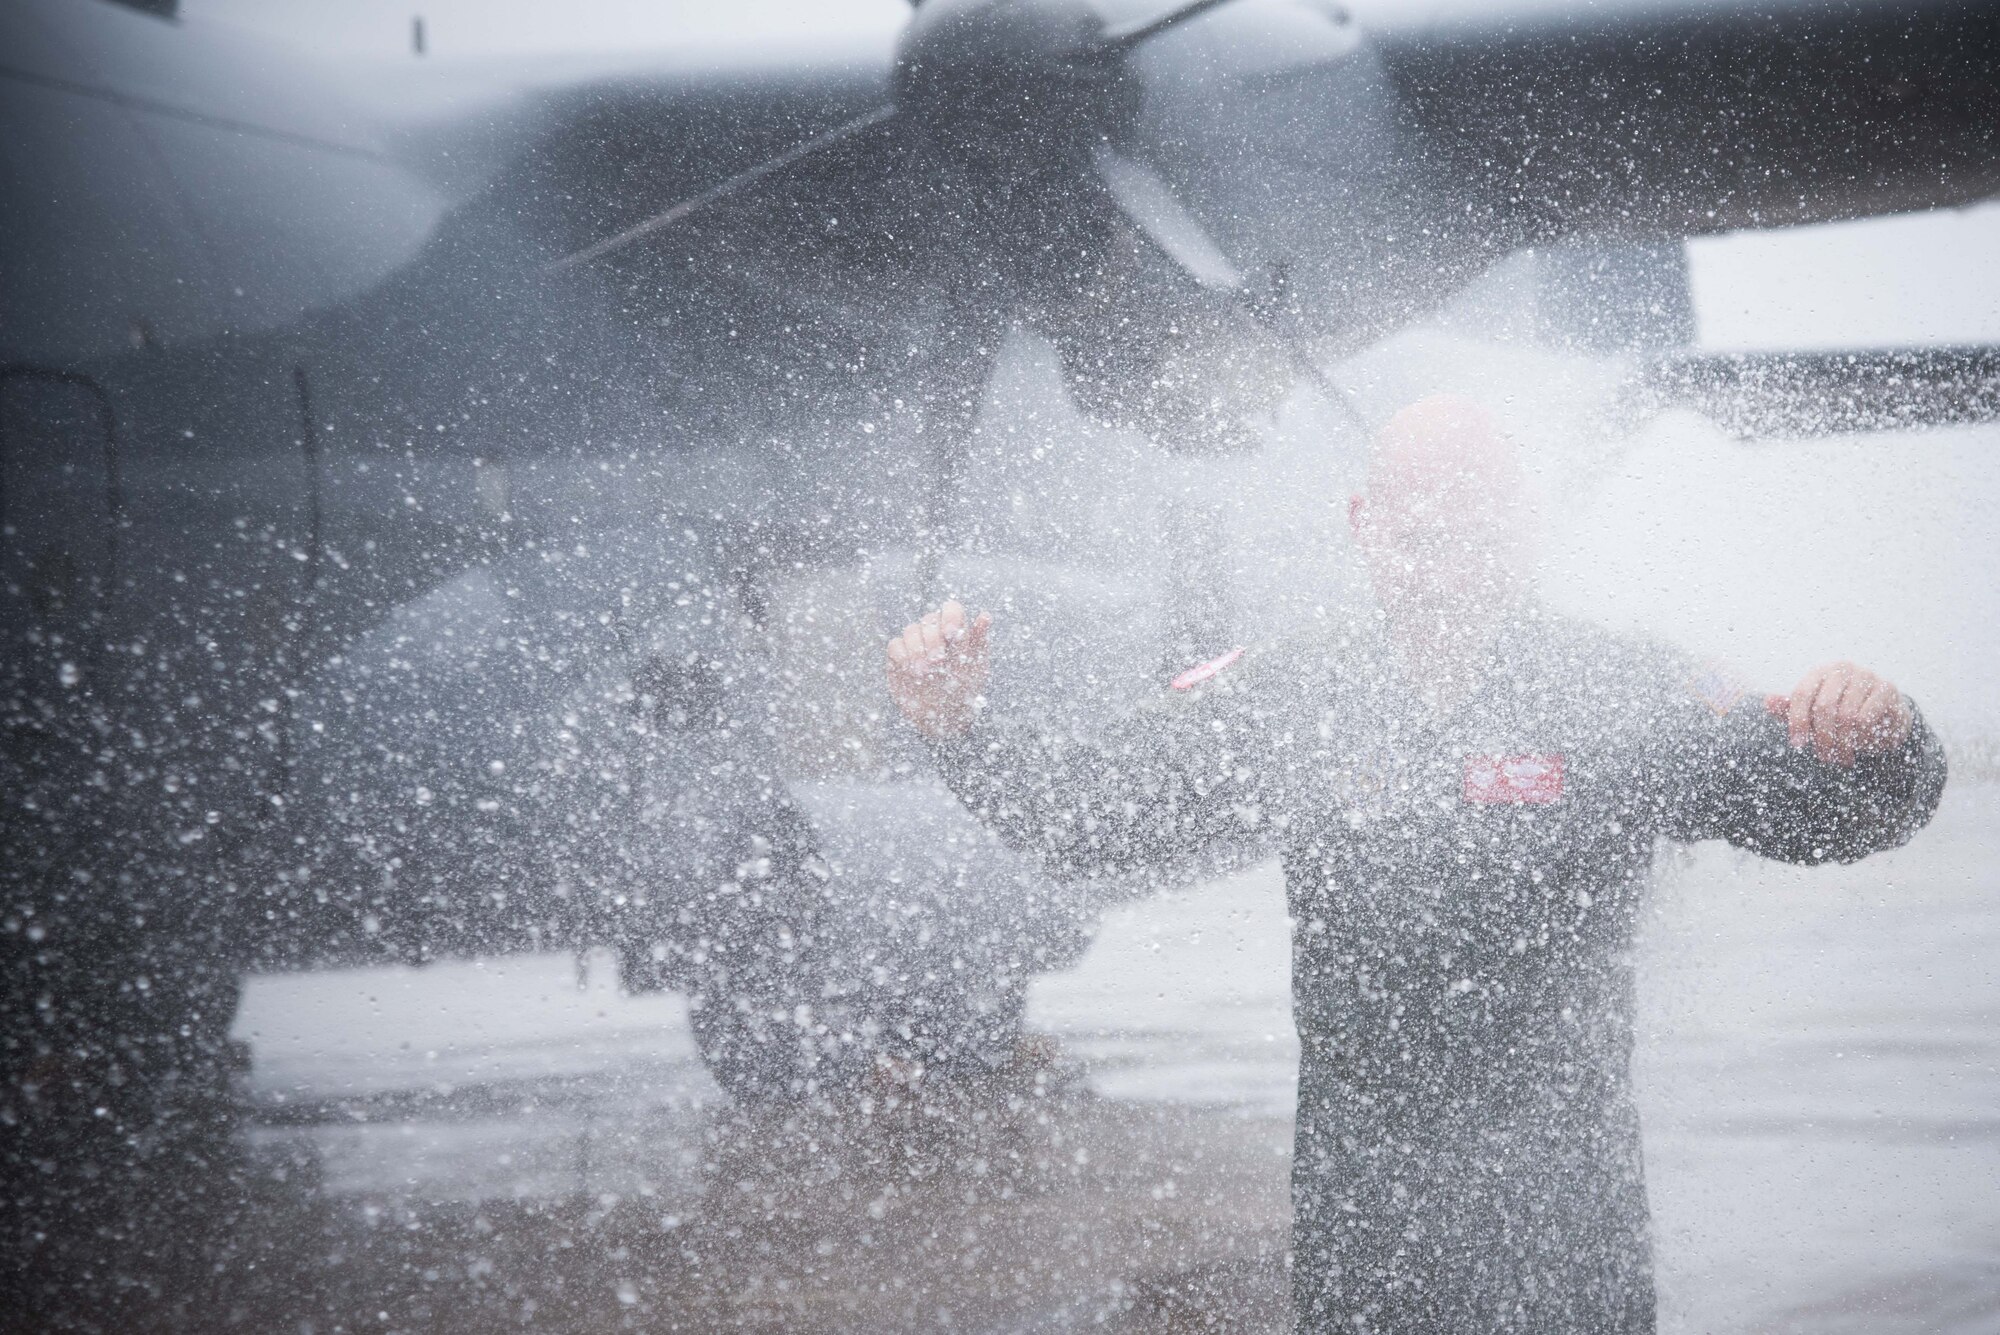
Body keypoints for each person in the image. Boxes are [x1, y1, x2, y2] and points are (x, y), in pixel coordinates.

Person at [881, 395, 1948, 1333]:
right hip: (1365, 1226)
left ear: (1525, 528)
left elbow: (1830, 815)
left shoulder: (1613, 690)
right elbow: (1093, 816)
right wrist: (959, 731)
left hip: (1564, 1225)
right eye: (1416, 517)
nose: (1443, 546)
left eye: (1473, 518)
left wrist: (1887, 738)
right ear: (1362, 523)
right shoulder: (1287, 698)